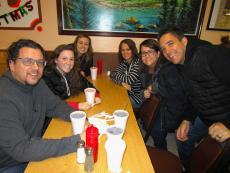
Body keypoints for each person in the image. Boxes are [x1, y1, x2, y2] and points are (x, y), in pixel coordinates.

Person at [0, 39, 84, 173]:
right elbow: (22, 149)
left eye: (40, 62)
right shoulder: (4, 97)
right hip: (10, 163)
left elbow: (56, 106)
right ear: (12, 64)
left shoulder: (37, 84)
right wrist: (78, 141)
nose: (35, 68)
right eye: (27, 61)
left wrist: (81, 119)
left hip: (32, 150)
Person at [158, 27, 230, 171]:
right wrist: (187, 119)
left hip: (226, 118)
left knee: (217, 159)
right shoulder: (181, 64)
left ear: (184, 41)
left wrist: (228, 125)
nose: (167, 52)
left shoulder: (212, 54)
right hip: (208, 118)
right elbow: (194, 95)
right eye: (163, 49)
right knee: (182, 138)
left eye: (170, 44)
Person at [139, 39, 189, 149]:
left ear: (158, 53)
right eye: (143, 53)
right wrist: (144, 93)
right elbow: (142, 90)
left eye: (150, 52)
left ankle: (162, 150)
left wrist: (155, 88)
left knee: (155, 130)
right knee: (146, 123)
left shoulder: (168, 68)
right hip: (156, 105)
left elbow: (177, 94)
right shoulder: (144, 70)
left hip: (171, 108)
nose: (146, 55)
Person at [43, 44, 101, 110]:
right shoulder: (47, 75)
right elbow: (51, 103)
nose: (68, 63)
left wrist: (96, 96)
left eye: (71, 59)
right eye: (64, 59)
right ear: (56, 60)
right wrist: (77, 106)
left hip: (67, 108)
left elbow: (87, 85)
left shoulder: (74, 71)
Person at [110, 39, 142, 109]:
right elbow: (112, 76)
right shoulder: (124, 63)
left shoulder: (138, 63)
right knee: (110, 97)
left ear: (133, 50)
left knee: (116, 103)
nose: (125, 52)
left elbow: (128, 80)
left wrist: (115, 75)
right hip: (126, 93)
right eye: (123, 50)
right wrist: (121, 83)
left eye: (128, 49)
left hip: (136, 98)